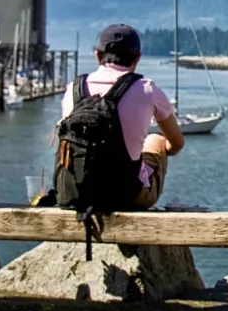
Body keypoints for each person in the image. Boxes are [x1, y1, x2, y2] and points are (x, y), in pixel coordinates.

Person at [58, 23, 185, 209]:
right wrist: (162, 152)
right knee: (156, 139)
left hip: (74, 194)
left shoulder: (73, 89)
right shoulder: (146, 89)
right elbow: (177, 143)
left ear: (97, 55)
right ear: (137, 58)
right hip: (124, 196)